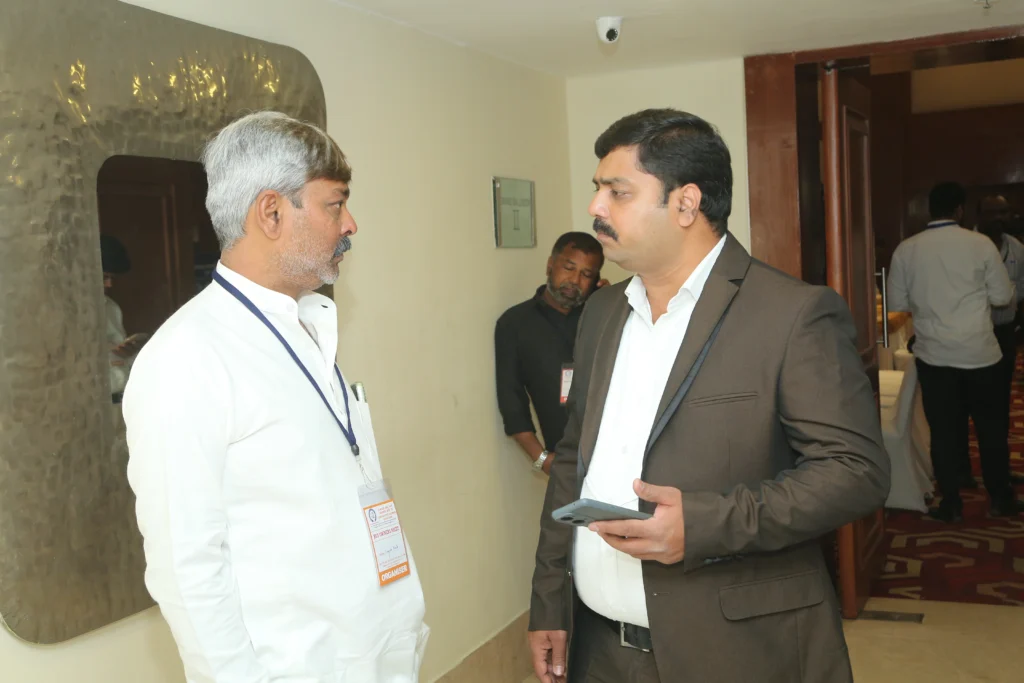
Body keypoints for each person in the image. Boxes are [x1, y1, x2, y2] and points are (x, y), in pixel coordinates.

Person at [527, 109, 889, 683]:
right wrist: (550, 599)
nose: (596, 207)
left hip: (738, 653)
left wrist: (704, 524)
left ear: (686, 203)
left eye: (618, 192)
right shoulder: (601, 312)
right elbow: (573, 460)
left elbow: (855, 472)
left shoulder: (791, 314)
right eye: (598, 189)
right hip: (599, 649)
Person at [123, 111, 428, 683]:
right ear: (271, 213)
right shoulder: (186, 358)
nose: (351, 223)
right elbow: (187, 568)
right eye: (335, 204)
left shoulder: (307, 324)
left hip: (378, 654)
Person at [888, 182, 1021, 523]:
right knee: (991, 430)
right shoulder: (980, 244)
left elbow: (898, 302)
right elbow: (1002, 297)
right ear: (960, 210)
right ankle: (1000, 499)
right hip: (981, 353)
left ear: (930, 209)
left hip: (934, 355)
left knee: (944, 432)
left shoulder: (906, 249)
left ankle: (951, 503)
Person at [495, 232, 604, 474]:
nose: (574, 280)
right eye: (568, 268)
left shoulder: (603, 317)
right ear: (550, 265)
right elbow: (512, 403)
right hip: (567, 463)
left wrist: (609, 302)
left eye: (586, 274)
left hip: (622, 455)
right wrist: (542, 459)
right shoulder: (515, 324)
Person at [100, 234, 145, 402]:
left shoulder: (111, 307)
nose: (109, 284)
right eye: (104, 277)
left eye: (111, 278)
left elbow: (121, 354)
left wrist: (130, 351)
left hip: (122, 397)